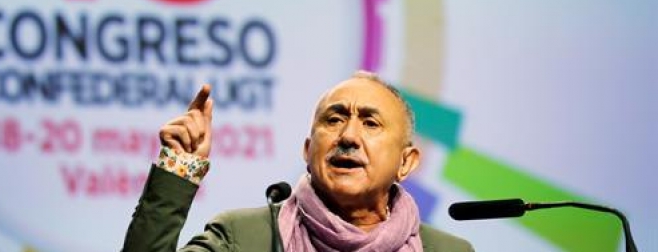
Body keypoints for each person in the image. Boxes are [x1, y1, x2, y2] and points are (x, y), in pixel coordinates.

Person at [122, 71, 474, 252]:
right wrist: (178, 169)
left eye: (370, 123)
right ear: (308, 150)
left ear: (406, 162)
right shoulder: (244, 238)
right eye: (334, 120)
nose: (348, 136)